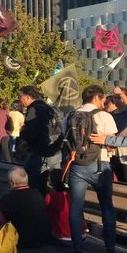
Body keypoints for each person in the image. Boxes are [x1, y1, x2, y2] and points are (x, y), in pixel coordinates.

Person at [63, 85, 117, 253]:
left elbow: (65, 140)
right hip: (100, 165)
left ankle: (78, 247)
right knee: (106, 206)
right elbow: (111, 145)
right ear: (96, 98)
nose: (104, 102)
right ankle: (110, 247)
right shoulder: (104, 116)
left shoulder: (70, 115)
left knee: (76, 206)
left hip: (77, 165)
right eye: (103, 99)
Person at [18, 85, 63, 194]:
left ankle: (36, 208)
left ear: (27, 97)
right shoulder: (48, 108)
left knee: (33, 185)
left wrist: (23, 135)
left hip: (40, 152)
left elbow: (30, 132)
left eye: (21, 97)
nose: (20, 100)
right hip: (54, 151)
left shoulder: (34, 109)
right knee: (49, 186)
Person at [0, 167, 48, 248]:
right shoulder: (37, 194)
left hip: (21, 242)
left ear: (12, 183)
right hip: (40, 240)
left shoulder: (10, 198)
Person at [0, 99, 12, 163]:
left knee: (1, 152)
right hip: (5, 134)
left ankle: (7, 165)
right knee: (4, 151)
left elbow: (1, 127)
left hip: (1, 135)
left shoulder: (1, 113)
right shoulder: (6, 111)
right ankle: (8, 163)